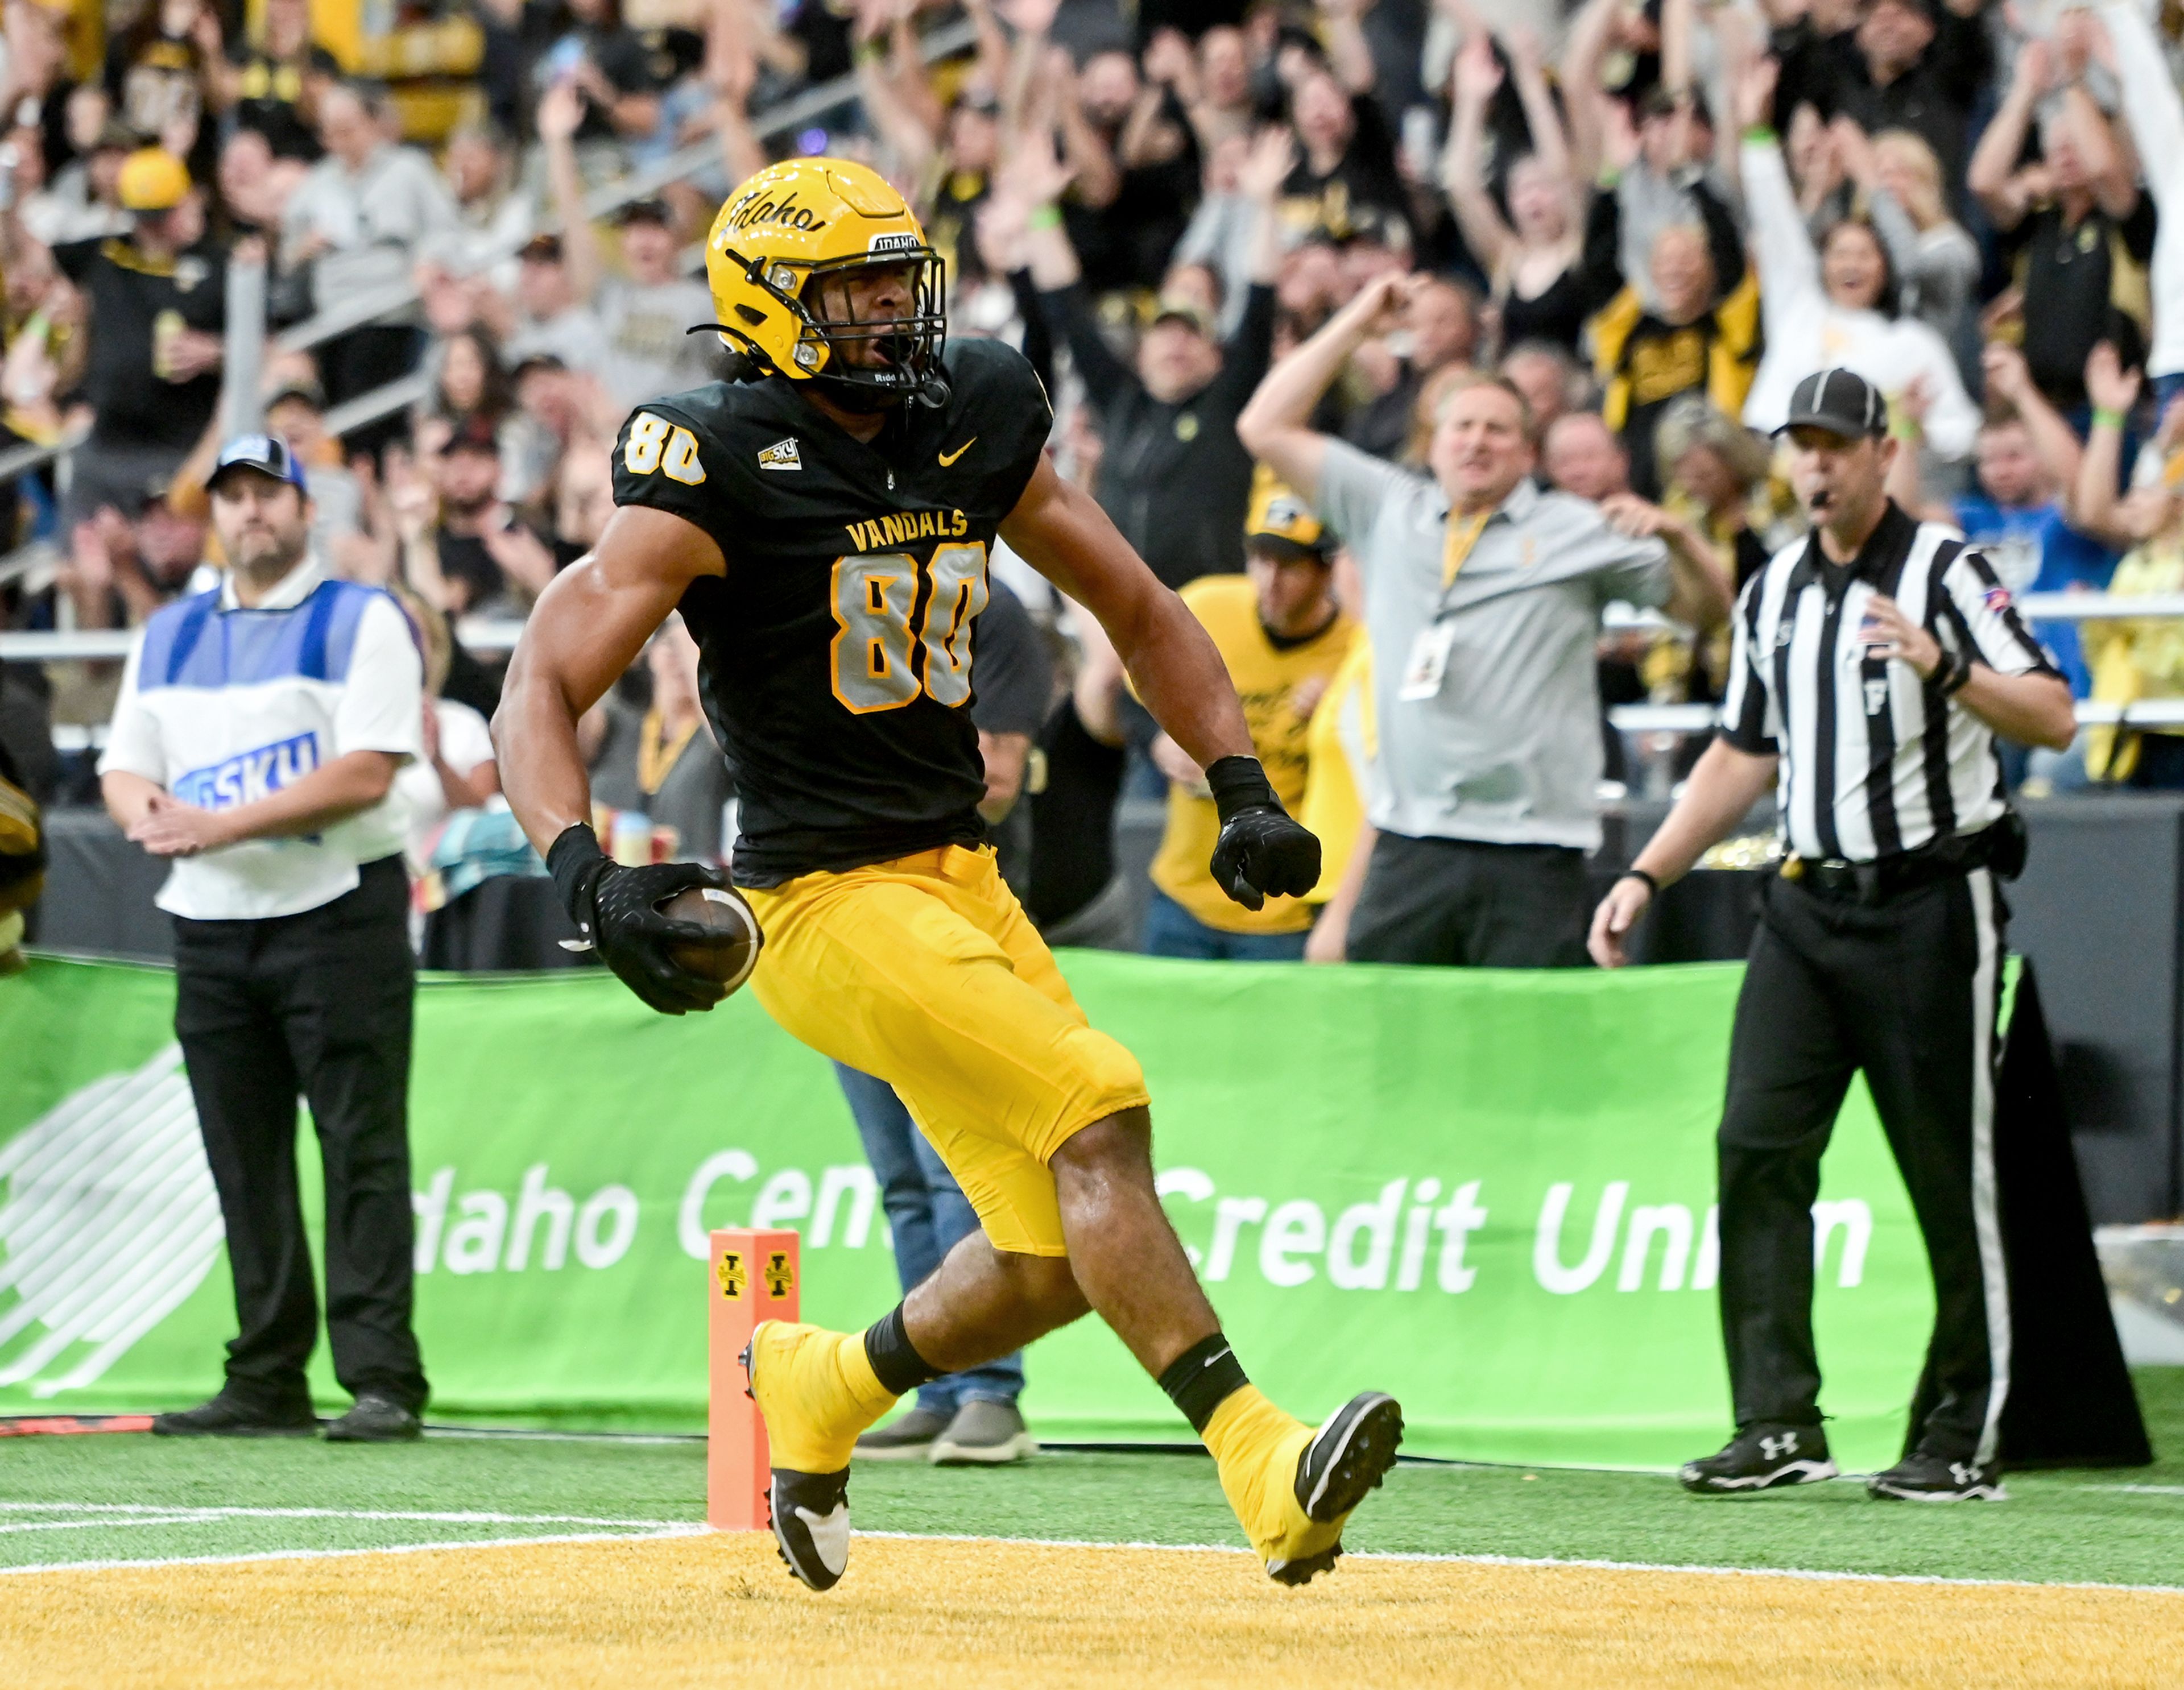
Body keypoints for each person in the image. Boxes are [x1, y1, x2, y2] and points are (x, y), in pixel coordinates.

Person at [492, 158, 1400, 1593]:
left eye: (894, 278)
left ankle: (820, 1386)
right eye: (850, 287)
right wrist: (582, 870)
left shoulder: (972, 405)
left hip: (962, 878)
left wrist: (1237, 781)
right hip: (820, 901)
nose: (886, 311)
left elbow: (1133, 600)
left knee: (1048, 1258)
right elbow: (541, 675)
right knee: (1099, 1111)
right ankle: (1263, 1460)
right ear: (768, 307)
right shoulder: (708, 453)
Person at [1590, 368, 2076, 1502]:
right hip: (1803, 906)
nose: (1814, 465)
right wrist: (1650, 870)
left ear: (1882, 454)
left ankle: (1961, 1430)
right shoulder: (1770, 593)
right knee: (1755, 1149)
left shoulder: (1945, 570)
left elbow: (2054, 709)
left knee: (1948, 1172)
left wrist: (1946, 666)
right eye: (1798, 446)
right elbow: (1741, 753)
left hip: (1928, 903)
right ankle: (1775, 1419)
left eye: (1833, 445)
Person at [1238, 274, 1730, 967]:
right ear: (1433, 444)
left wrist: (1678, 538)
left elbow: (1710, 612)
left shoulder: (1577, 529)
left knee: (1527, 1060)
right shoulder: (1388, 506)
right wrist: (1356, 319)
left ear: (1529, 454)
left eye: (1498, 429)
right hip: (1410, 842)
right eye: (1461, 427)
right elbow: (1262, 425)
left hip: (1535, 852)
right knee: (1395, 1052)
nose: (1476, 442)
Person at [97, 434, 431, 1443]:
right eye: (232, 497)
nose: (250, 513)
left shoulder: (364, 617)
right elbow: (124, 766)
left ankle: (381, 1377)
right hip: (211, 922)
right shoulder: (165, 633)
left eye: (268, 495)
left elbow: (367, 770)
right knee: (242, 1157)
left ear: (306, 510)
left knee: (359, 1147)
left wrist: (212, 824)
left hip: (337, 911)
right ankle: (268, 1372)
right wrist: (147, 810)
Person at [1143, 473, 1355, 960]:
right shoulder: (1209, 606)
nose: (1270, 581)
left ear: (1326, 573)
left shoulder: (1354, 650)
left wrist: (1345, 703)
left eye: (1290, 566)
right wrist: (1157, 739)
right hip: (1183, 894)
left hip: (1284, 908)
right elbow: (1128, 689)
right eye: (1261, 560)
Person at [52, 148, 226, 532]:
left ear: (187, 202)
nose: (153, 229)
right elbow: (32, 262)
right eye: (143, 218)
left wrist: (215, 352)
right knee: (79, 563)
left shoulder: (219, 263)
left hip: (180, 447)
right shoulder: (108, 253)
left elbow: (267, 350)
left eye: (163, 216)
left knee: (168, 568)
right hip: (106, 445)